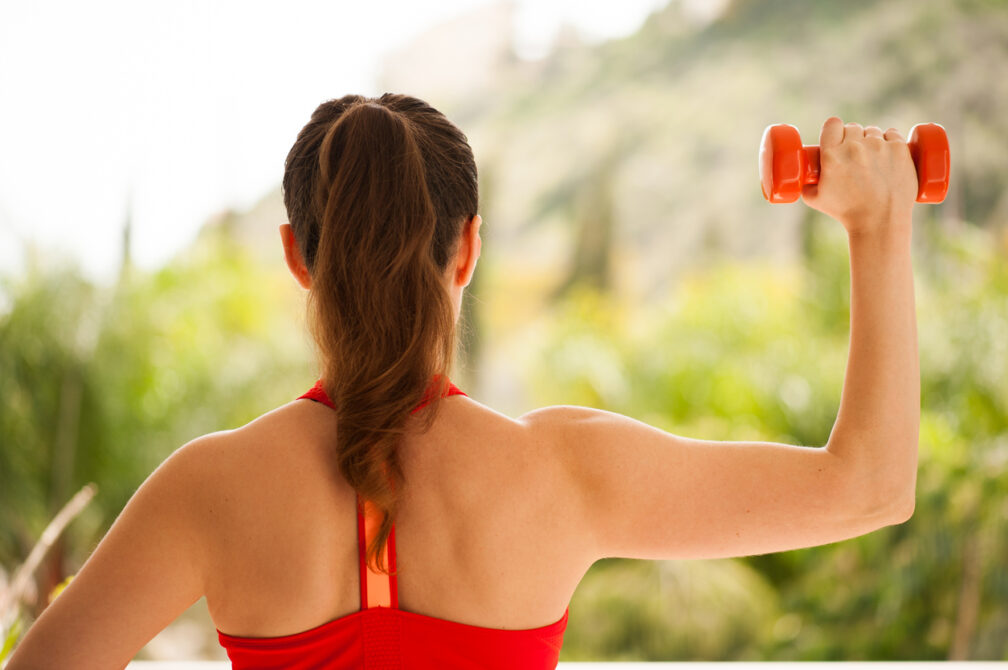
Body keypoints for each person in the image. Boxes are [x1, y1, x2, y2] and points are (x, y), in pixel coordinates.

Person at [8, 94, 919, 669]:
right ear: (470, 249)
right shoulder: (564, 472)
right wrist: (879, 228)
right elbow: (870, 488)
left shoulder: (209, 490)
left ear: (296, 257)